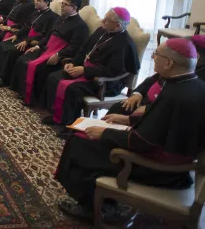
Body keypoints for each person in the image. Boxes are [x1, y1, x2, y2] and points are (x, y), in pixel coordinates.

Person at [55, 39, 205, 222]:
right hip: (172, 156)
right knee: (86, 139)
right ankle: (103, 200)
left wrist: (105, 133)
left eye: (156, 54)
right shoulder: (191, 84)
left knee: (79, 142)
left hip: (161, 168)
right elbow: (160, 120)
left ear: (169, 63)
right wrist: (128, 119)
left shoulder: (176, 94)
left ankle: (92, 208)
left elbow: (141, 141)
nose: (152, 56)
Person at [41, 7, 140, 128]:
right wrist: (74, 63)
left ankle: (70, 124)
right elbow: (84, 49)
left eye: (107, 20)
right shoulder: (101, 31)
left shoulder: (124, 44)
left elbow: (113, 70)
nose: (103, 21)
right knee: (53, 77)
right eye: (105, 17)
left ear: (118, 26)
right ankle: (57, 115)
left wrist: (84, 70)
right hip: (86, 71)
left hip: (105, 83)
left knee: (73, 89)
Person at [10, 0, 89, 105]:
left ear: (74, 8)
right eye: (62, 4)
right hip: (46, 48)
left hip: (58, 55)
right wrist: (37, 46)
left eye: (65, 5)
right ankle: (24, 92)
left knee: (38, 68)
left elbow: (75, 47)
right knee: (23, 59)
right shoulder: (61, 18)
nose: (61, 7)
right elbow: (49, 36)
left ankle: (35, 99)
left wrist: (58, 54)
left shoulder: (81, 26)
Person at [0, 0, 59, 87]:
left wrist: (27, 41)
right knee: (2, 45)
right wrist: (16, 35)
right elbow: (25, 27)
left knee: (12, 51)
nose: (35, 3)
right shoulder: (35, 12)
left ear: (47, 3)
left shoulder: (53, 17)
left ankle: (4, 79)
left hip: (34, 41)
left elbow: (46, 36)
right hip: (25, 37)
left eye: (39, 1)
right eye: (35, 0)